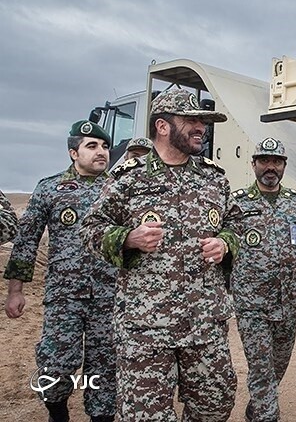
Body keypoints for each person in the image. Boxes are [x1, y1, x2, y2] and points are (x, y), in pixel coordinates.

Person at [80, 88, 241, 421]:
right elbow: (90, 229)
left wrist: (225, 243)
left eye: (203, 122)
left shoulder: (215, 180)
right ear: (163, 126)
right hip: (145, 327)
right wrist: (128, 238)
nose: (201, 128)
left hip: (204, 322)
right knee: (144, 415)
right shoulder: (129, 180)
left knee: (216, 404)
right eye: (192, 121)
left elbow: (236, 225)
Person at [3, 120, 116, 422]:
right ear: (73, 152)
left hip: (110, 297)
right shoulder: (50, 188)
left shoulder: (118, 188)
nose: (101, 152)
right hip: (63, 298)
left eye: (104, 146)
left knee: (105, 368)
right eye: (92, 146)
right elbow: (27, 241)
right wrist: (15, 291)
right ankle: (58, 413)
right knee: (56, 366)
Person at [230, 137, 296, 422]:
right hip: (251, 303)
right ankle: (266, 414)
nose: (270, 167)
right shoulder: (237, 203)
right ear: (253, 164)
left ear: (284, 166)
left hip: (287, 302)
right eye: (264, 160)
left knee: (278, 365)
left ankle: (259, 406)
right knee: (261, 368)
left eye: (276, 161)